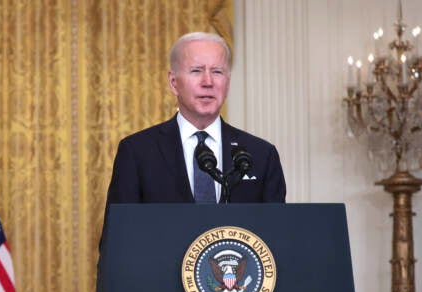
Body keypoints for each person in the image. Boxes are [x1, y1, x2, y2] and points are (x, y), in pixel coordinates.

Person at [105, 32, 286, 204]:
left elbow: (276, 232)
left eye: (217, 72)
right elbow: (119, 233)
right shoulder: (137, 152)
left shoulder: (261, 155)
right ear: (173, 82)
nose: (208, 82)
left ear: (227, 84)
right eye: (196, 71)